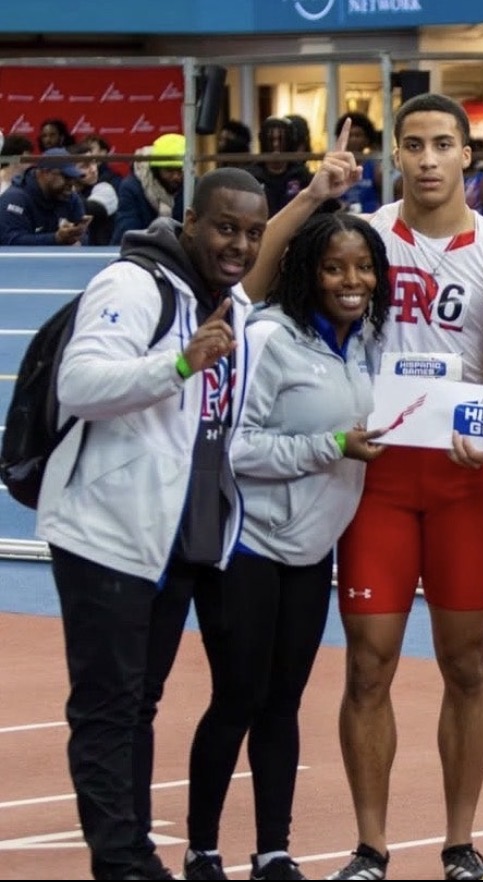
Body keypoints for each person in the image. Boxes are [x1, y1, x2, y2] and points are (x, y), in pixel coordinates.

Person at [35, 166, 269, 881]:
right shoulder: (132, 285)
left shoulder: (228, 302)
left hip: (174, 540)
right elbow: (80, 383)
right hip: (106, 532)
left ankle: (129, 855)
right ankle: (124, 863)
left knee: (139, 705)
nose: (240, 244)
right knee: (109, 706)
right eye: (226, 227)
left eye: (254, 233)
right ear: (191, 220)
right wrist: (177, 363)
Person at [324, 93, 483, 882]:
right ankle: (370, 847)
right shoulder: (361, 237)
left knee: (466, 665)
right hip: (379, 479)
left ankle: (460, 842)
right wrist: (314, 196)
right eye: (413, 146)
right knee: (369, 666)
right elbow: (273, 296)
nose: (428, 159)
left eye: (443, 144)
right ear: (393, 156)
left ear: (470, 156)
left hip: (465, 478)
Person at [180, 209, 390, 882]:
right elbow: (235, 448)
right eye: (334, 267)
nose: (350, 280)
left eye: (363, 267)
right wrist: (329, 446)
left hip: (310, 551)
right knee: (237, 696)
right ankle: (202, 849)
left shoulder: (371, 341)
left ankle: (273, 850)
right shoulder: (271, 336)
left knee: (283, 702)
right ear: (308, 271)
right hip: (248, 544)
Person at [0, 146, 90, 246]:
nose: (71, 185)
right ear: (45, 172)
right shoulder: (15, 198)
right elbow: (9, 242)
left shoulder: (70, 198)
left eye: (73, 178)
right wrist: (56, 238)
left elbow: (84, 238)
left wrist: (77, 239)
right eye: (66, 177)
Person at [113, 133, 186, 245]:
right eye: (169, 170)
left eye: (180, 170)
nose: (176, 176)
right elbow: (127, 233)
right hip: (141, 253)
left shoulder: (192, 186)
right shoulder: (132, 188)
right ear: (155, 170)